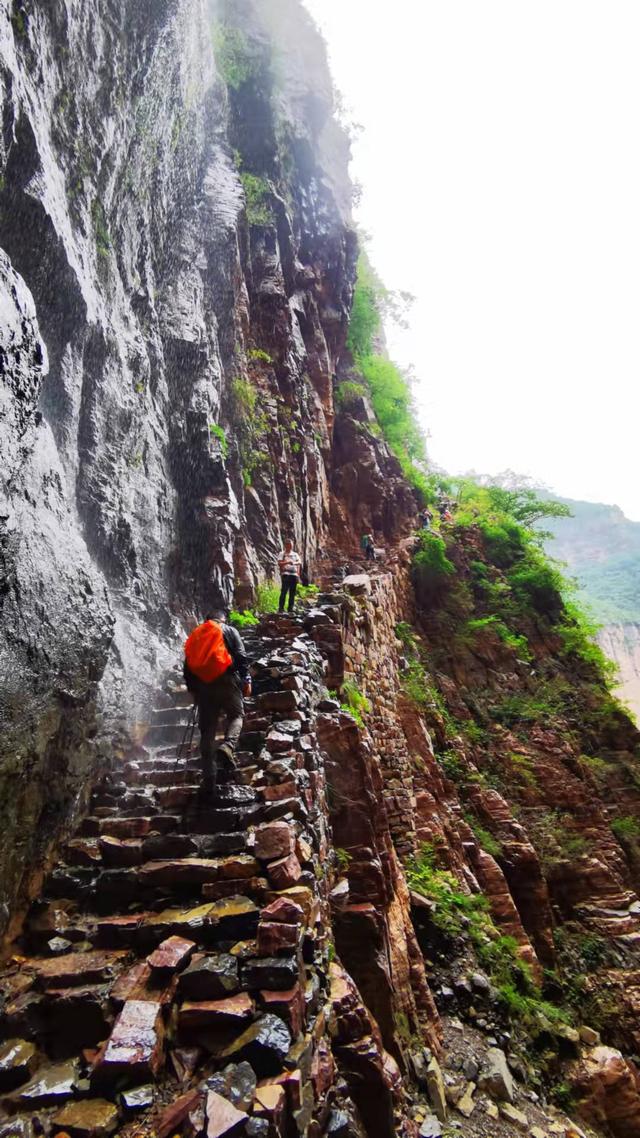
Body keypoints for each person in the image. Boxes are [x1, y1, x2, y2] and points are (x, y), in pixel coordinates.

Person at [183, 609, 252, 791]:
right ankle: (228, 746)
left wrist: (194, 690)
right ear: (223, 619)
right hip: (227, 680)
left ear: (206, 620)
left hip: (203, 686)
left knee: (207, 730)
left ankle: (209, 779)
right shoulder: (229, 630)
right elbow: (241, 656)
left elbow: (187, 666)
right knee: (237, 715)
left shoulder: (197, 635)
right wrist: (246, 679)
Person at [278, 539, 302, 612]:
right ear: (286, 545)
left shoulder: (295, 554)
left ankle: (290, 608)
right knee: (284, 592)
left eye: (291, 545)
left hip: (294, 575)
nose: (290, 546)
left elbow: (299, 562)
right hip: (286, 574)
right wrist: (287, 562)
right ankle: (281, 608)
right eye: (289, 545)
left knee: (292, 592)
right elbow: (279, 563)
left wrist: (294, 564)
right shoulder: (282, 554)